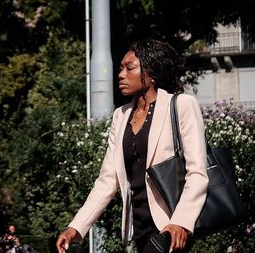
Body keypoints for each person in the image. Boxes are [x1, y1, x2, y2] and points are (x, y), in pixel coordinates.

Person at [56, 39, 209, 253]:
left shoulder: (181, 105)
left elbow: (197, 173)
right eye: (120, 68)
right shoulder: (121, 116)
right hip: (139, 229)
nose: (121, 74)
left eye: (129, 68)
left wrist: (181, 222)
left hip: (170, 230)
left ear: (151, 72)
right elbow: (107, 181)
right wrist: (77, 227)